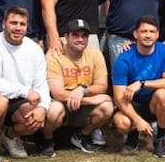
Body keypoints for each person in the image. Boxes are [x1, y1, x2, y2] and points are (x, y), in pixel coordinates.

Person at [0, 6, 63, 162]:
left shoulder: (34, 49)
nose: (18, 28)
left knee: (51, 112)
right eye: (13, 23)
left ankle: (10, 136)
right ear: (3, 24)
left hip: (22, 101)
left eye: (22, 24)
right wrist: (25, 91)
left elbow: (41, 84)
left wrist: (42, 108)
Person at [111, 15, 165, 157]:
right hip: (131, 102)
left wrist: (141, 84)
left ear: (157, 34)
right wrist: (138, 120)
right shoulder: (123, 59)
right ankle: (132, 135)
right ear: (136, 34)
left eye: (152, 32)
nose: (148, 35)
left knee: (164, 95)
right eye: (144, 31)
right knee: (122, 123)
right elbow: (118, 97)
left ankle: (160, 139)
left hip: (153, 102)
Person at [47, 18, 114, 153]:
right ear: (66, 37)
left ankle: (83, 135)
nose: (80, 39)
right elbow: (57, 93)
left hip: (82, 102)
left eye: (84, 36)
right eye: (75, 35)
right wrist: (89, 100)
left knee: (107, 107)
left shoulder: (95, 54)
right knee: (53, 110)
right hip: (61, 103)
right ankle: (46, 139)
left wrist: (82, 90)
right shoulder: (54, 55)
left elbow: (102, 85)